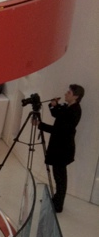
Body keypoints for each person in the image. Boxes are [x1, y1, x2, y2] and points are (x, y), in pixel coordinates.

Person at [36, 84, 84, 213]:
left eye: (69, 93)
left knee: (60, 178)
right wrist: (52, 105)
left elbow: (59, 130)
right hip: (60, 147)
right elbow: (56, 114)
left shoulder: (74, 111)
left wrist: (41, 125)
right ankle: (56, 200)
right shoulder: (68, 107)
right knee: (59, 176)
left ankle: (58, 205)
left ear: (76, 96)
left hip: (63, 149)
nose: (65, 94)